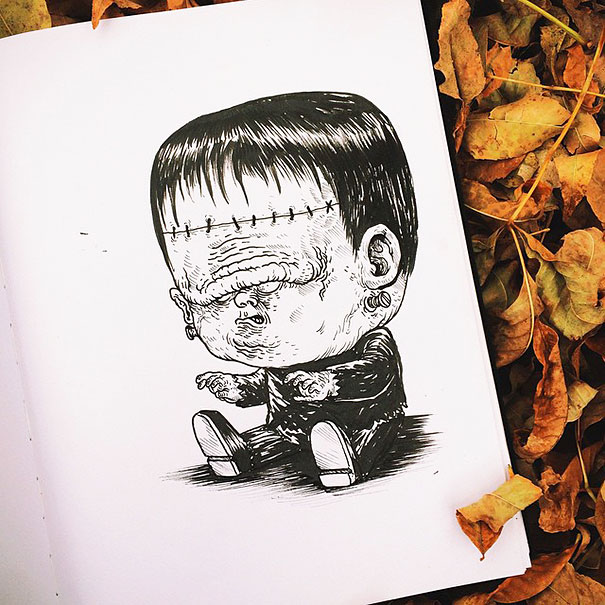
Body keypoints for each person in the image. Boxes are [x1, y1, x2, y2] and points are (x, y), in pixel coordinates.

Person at [150, 91, 418, 488]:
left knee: (367, 435)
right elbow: (268, 384)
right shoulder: (285, 355)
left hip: (364, 420)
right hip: (287, 425)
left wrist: (330, 384)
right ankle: (238, 451)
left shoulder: (371, 346)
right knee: (275, 436)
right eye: (210, 296)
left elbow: (372, 377)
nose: (244, 314)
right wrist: (240, 388)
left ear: (376, 263)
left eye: (271, 281)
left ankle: (345, 459)